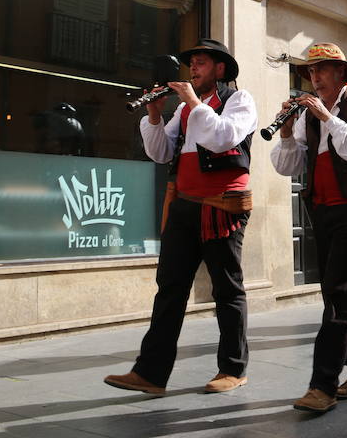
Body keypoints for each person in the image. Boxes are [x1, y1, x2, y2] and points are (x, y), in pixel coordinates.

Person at [104, 40, 257, 396]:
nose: (194, 70)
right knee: (170, 288)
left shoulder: (239, 100)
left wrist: (191, 101)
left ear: (220, 69)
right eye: (192, 65)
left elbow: (223, 138)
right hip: (185, 205)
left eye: (201, 64)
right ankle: (151, 373)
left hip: (221, 207)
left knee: (226, 289)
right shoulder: (186, 111)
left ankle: (233, 369)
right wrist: (155, 114)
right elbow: (161, 153)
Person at [270, 43, 347, 413]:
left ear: (341, 74)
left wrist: (327, 117)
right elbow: (287, 168)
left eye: (322, 69)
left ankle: (323, 385)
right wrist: (287, 132)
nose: (315, 77)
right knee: (338, 294)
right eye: (311, 71)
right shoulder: (306, 117)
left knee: (339, 294)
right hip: (321, 211)